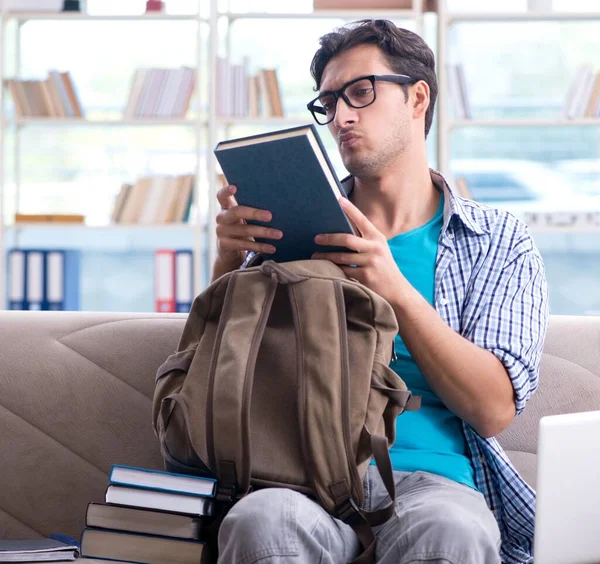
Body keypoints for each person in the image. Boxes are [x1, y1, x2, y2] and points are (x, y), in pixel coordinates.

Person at [211, 19, 549, 564]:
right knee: (259, 522)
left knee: (451, 532)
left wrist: (391, 285)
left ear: (418, 98)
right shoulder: (296, 228)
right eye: (328, 103)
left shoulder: (497, 242)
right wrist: (229, 260)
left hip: (436, 483)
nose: (341, 116)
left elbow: (491, 408)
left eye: (360, 92)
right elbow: (224, 373)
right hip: (303, 478)